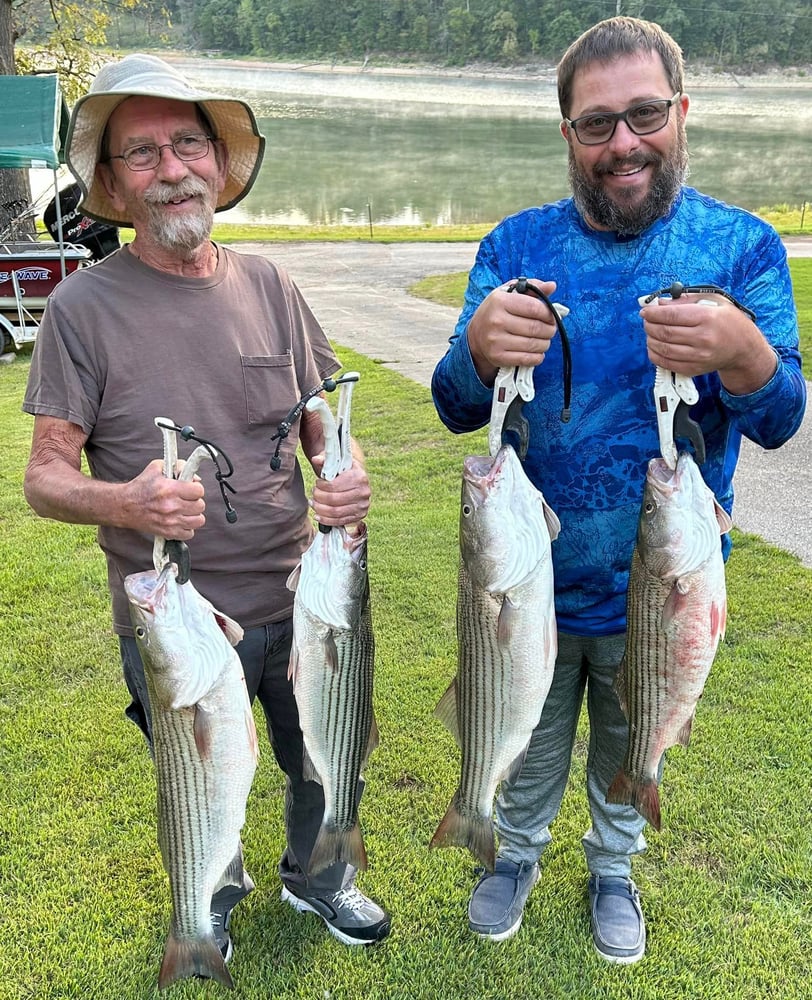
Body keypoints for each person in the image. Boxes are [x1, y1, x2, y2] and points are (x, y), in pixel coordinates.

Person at [431, 16, 805, 965]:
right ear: (567, 135)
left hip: (666, 591)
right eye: (596, 125)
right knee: (529, 742)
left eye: (644, 115)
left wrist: (747, 355)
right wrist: (477, 349)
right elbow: (452, 401)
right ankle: (512, 853)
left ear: (681, 113)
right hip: (526, 590)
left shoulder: (744, 248)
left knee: (628, 746)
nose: (623, 143)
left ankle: (612, 865)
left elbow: (781, 416)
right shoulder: (516, 244)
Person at [22, 53, 390, 964]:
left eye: (187, 143)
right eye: (140, 154)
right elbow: (44, 476)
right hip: (180, 622)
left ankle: (321, 879)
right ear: (111, 182)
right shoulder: (82, 310)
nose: (171, 168)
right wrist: (126, 498)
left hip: (304, 595)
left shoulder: (270, 284)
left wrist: (343, 470)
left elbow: (318, 422)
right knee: (198, 772)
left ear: (220, 164)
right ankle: (210, 895)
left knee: (321, 757)